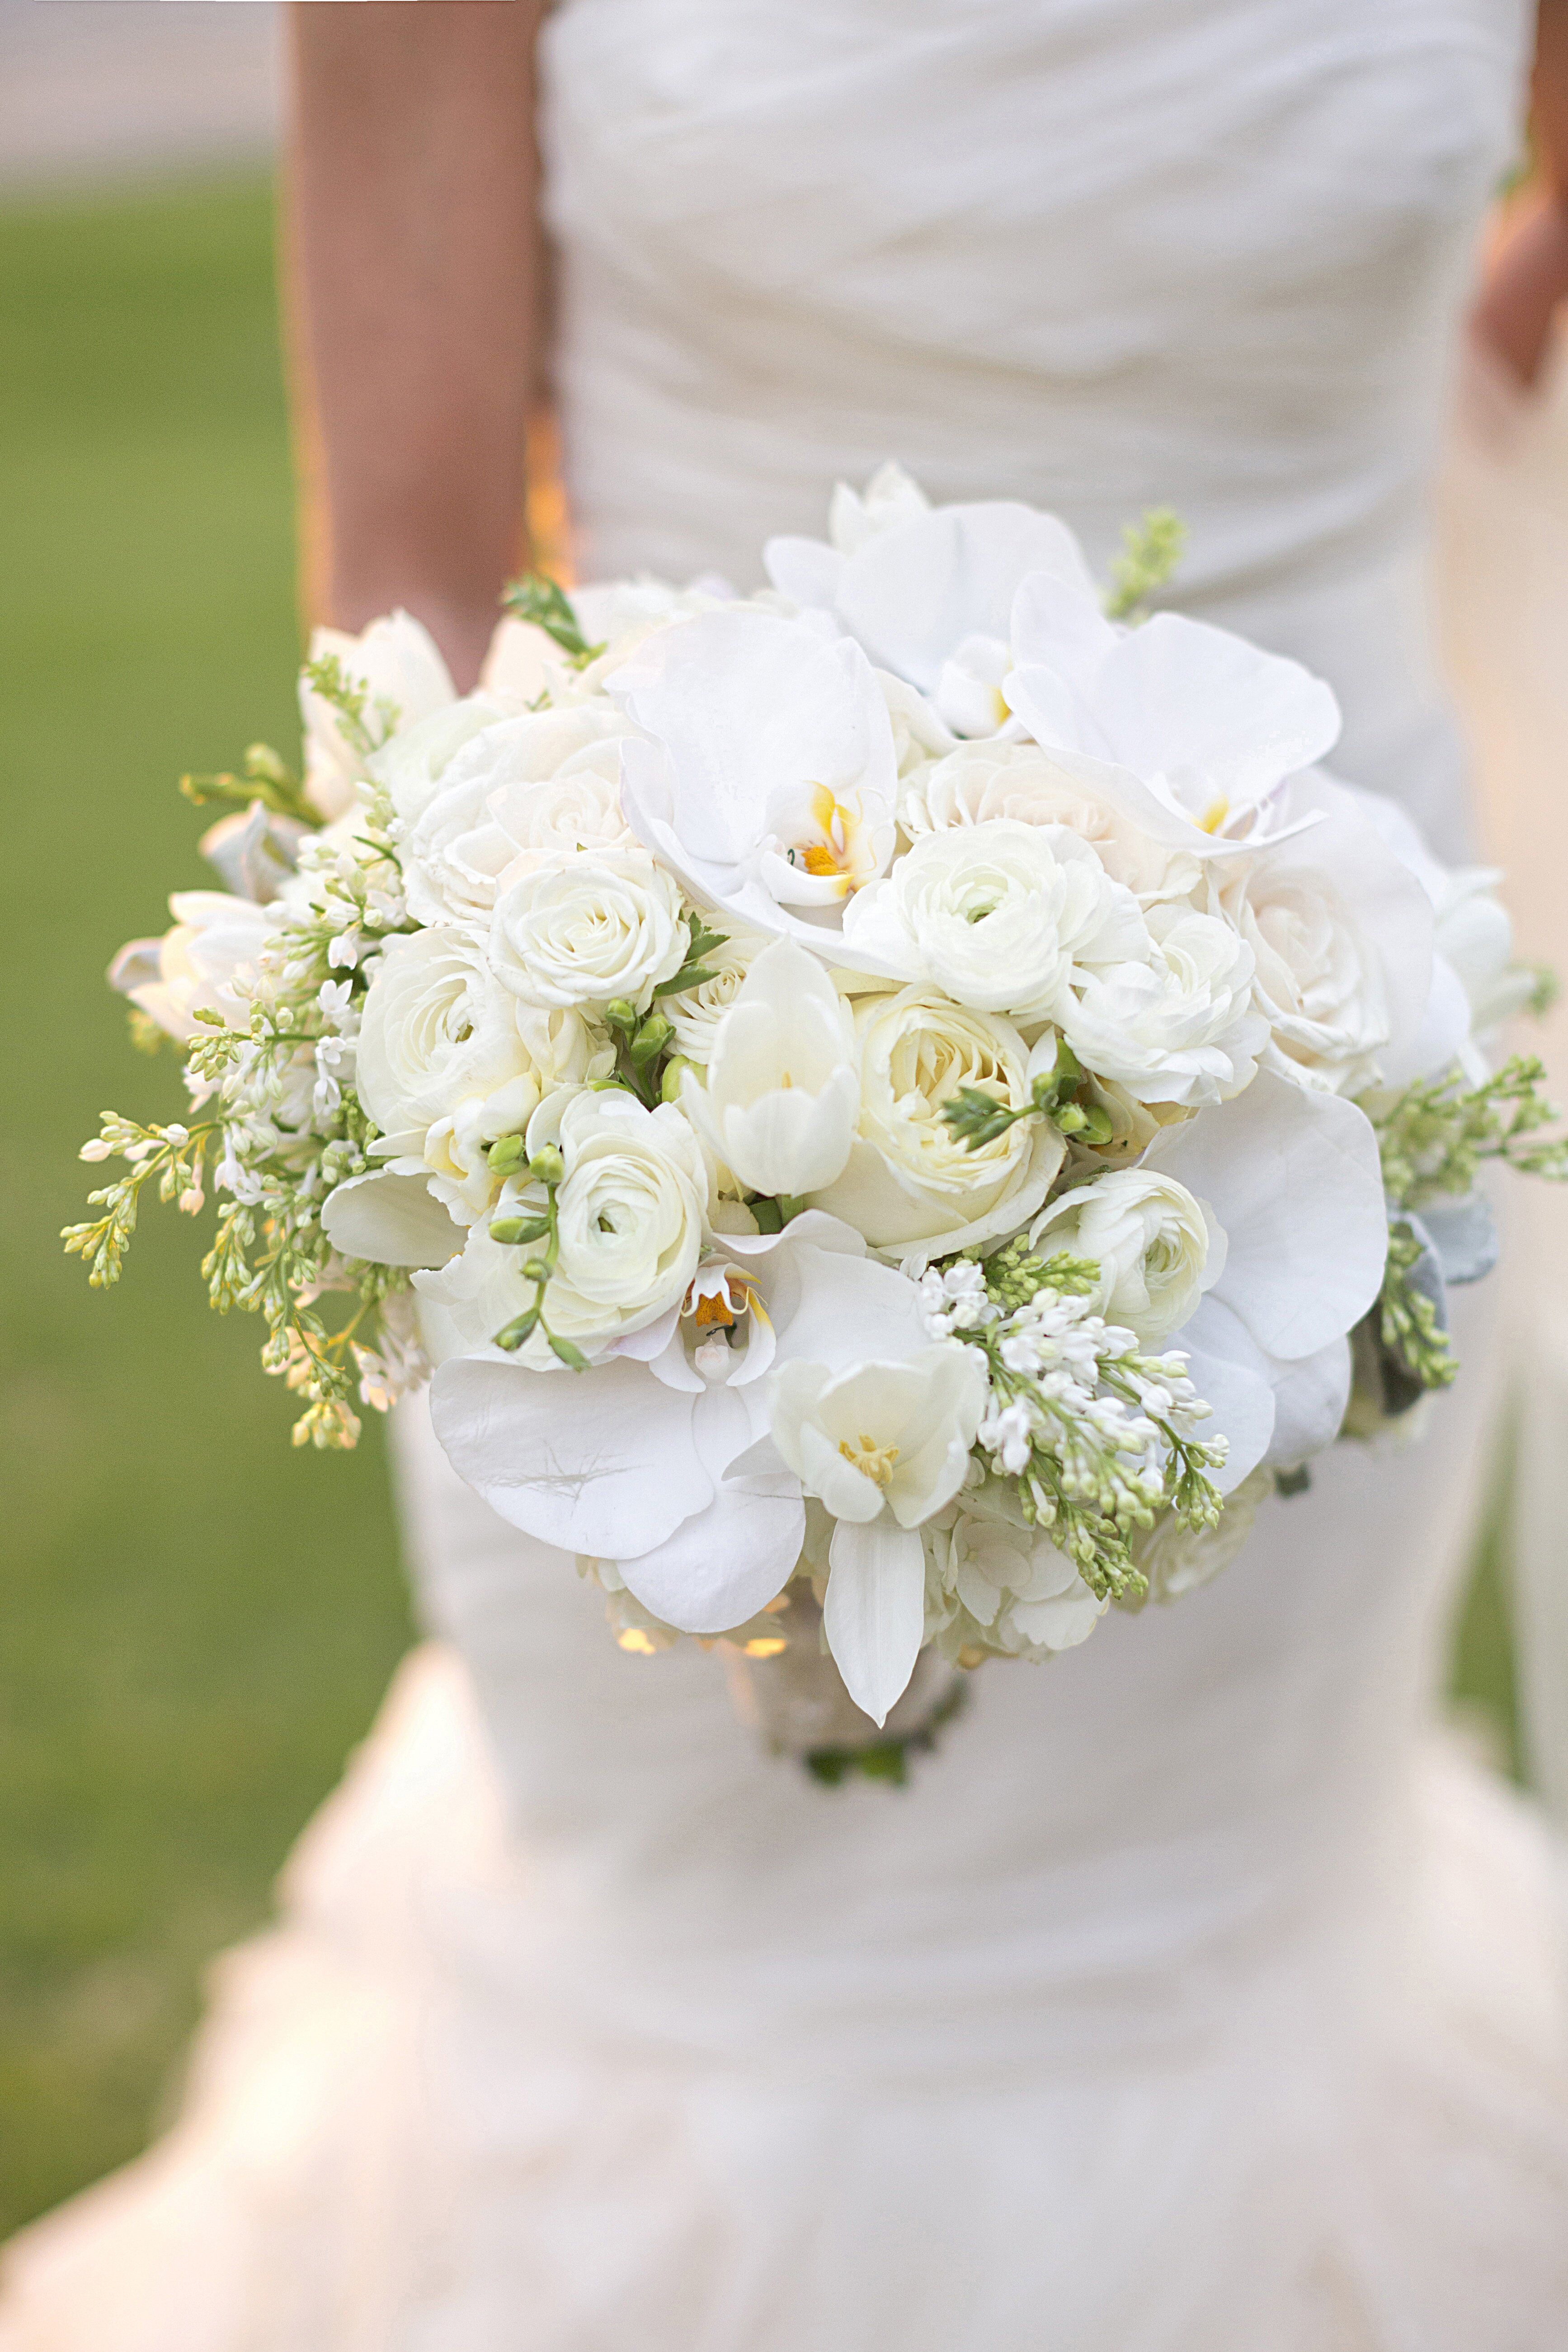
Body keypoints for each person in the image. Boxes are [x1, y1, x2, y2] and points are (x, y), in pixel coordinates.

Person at [5, 2, 1568, 2344]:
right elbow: (414, 567)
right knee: (702, 1970)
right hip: (647, 1123)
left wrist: (1408, 415)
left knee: (1217, 1957)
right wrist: (579, 1106)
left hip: (1311, 1096)